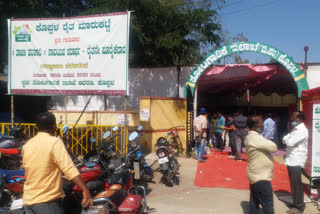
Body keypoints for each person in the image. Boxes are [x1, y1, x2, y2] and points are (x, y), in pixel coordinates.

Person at [23, 112, 93, 214]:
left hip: (28, 201)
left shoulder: (28, 145)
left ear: (37, 126)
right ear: (53, 126)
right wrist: (85, 190)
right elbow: (69, 169)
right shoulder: (54, 142)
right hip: (47, 202)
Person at [245, 116, 277, 214]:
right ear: (256, 126)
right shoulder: (255, 138)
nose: (263, 125)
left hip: (256, 174)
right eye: (261, 123)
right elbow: (274, 147)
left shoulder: (253, 136)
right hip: (261, 177)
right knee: (268, 204)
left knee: (254, 201)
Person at [283, 111, 308, 214]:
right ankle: (296, 203)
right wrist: (287, 140)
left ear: (299, 119)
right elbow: (284, 139)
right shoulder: (295, 129)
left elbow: (289, 142)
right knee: (293, 183)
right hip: (291, 158)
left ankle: (299, 207)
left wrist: (288, 140)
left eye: (294, 116)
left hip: (296, 159)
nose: (291, 118)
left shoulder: (302, 130)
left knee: (296, 184)